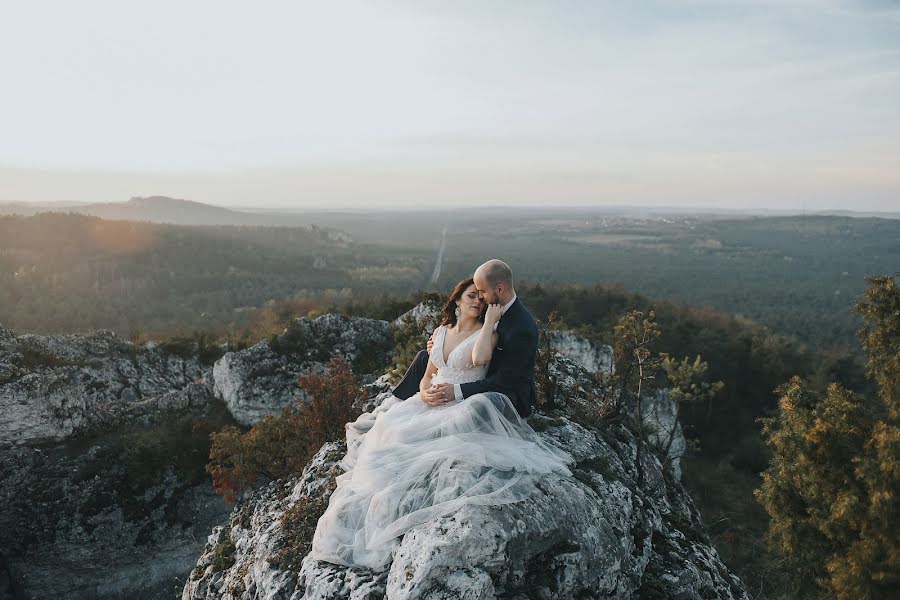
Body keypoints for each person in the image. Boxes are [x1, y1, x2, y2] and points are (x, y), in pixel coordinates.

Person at [308, 265, 573, 571]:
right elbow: (435, 366)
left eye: (483, 293)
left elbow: (504, 378)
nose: (480, 300)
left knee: (453, 423)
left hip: (503, 394)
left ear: (498, 290)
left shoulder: (517, 325)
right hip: (458, 386)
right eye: (473, 295)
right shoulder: (463, 323)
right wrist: (429, 380)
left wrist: (457, 388)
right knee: (393, 427)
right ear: (458, 301)